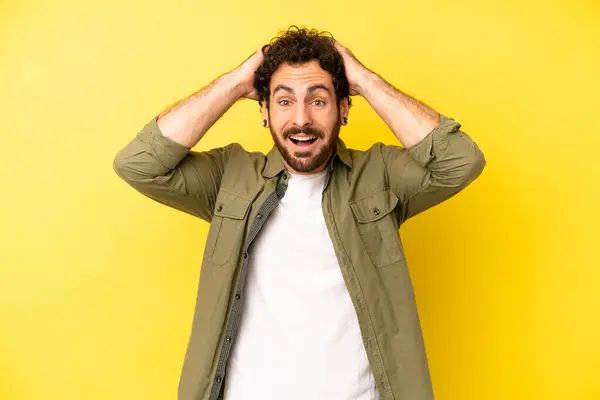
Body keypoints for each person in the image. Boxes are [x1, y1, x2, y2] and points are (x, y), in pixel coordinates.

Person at [113, 26, 485, 400]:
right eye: (285, 101)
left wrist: (367, 81)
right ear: (264, 110)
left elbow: (461, 162)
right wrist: (234, 83)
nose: (302, 119)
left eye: (319, 100)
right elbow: (139, 165)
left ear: (343, 108)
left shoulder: (380, 176)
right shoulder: (230, 176)